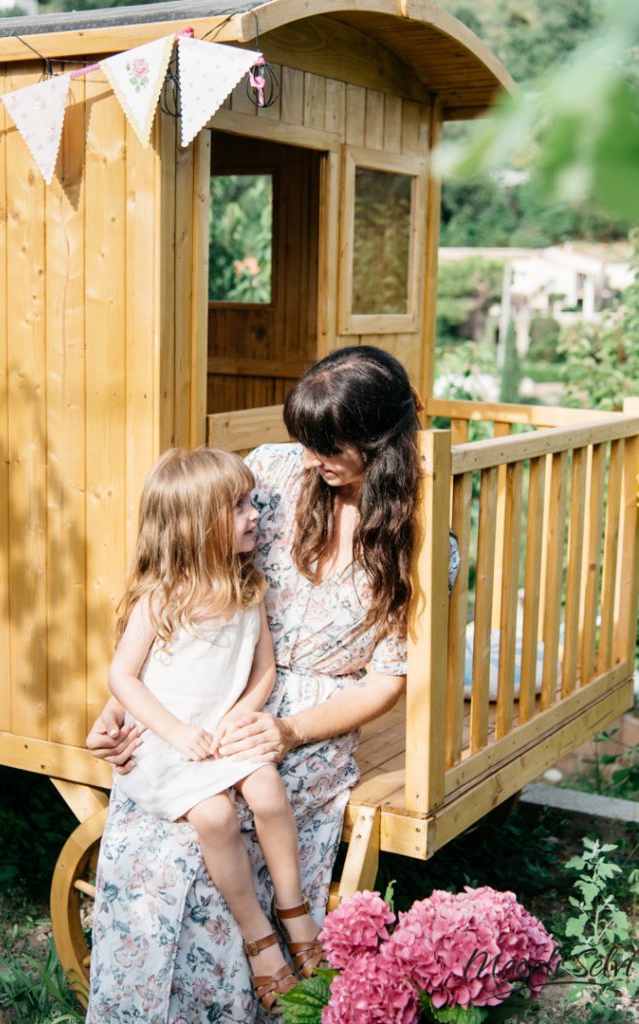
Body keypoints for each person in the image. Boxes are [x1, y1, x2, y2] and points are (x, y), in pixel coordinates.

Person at [86, 345, 459, 1023]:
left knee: (243, 814)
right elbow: (187, 576)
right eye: (307, 440)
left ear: (380, 443)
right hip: (203, 688)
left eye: (329, 445)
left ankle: (262, 967)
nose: (311, 458)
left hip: (312, 715)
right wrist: (120, 705)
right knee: (169, 832)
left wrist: (287, 729)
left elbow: (387, 681)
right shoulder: (275, 471)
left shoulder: (423, 540)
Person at [104, 447, 323, 1015]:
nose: (254, 514)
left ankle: (294, 910)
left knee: (269, 790)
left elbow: (264, 671)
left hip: (220, 734)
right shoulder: (161, 598)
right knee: (216, 816)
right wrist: (177, 732)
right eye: (236, 507)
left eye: (250, 500)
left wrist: (240, 715)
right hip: (165, 742)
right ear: (195, 526)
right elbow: (123, 678)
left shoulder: (248, 587)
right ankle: (259, 938)